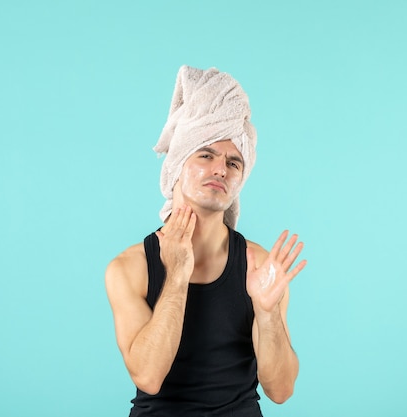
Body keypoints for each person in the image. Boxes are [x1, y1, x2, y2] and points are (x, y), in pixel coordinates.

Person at [105, 65, 307, 417]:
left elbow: (281, 390)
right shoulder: (130, 268)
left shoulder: (261, 266)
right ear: (178, 164)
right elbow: (149, 377)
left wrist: (266, 311)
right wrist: (178, 274)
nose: (221, 170)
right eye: (206, 155)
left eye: (234, 163)